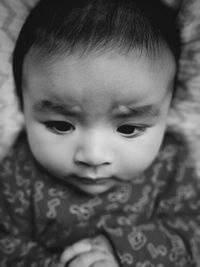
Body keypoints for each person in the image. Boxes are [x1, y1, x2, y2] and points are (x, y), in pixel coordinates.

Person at [0, 0, 199, 266]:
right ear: (21, 104)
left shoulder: (170, 164)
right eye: (61, 125)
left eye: (128, 128)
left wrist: (122, 250)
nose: (93, 156)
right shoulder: (19, 169)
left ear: (168, 108)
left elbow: (193, 233)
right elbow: (6, 243)